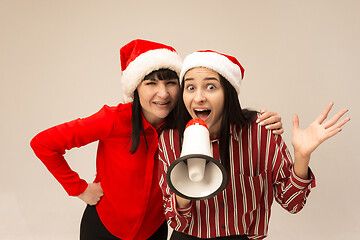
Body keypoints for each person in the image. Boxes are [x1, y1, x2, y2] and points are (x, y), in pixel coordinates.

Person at [30, 40, 284, 240]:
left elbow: (223, 117)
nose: (162, 93)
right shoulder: (113, 119)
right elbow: (44, 143)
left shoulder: (187, 123)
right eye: (151, 83)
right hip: (105, 227)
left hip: (155, 230)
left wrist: (262, 120)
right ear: (135, 88)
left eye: (171, 83)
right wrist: (80, 188)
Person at [158, 50, 350, 240]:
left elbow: (293, 204)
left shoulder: (260, 132)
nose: (198, 97)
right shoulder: (170, 139)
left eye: (210, 87)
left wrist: (301, 156)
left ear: (228, 93)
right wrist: (186, 182)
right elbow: (177, 222)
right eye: (190, 87)